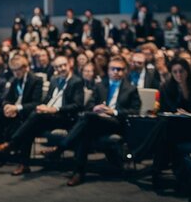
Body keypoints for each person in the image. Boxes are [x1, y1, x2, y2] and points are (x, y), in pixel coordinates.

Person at [50, 56, 141, 187]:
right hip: (97, 121)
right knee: (86, 130)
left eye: (119, 69)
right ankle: (78, 173)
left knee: (87, 119)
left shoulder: (131, 89)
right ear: (108, 70)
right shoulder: (100, 86)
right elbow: (89, 106)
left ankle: (61, 148)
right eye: (113, 69)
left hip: (116, 123)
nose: (116, 72)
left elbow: (135, 111)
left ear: (125, 71)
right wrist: (95, 107)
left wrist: (113, 112)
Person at [0, 56, 84, 175]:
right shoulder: (54, 79)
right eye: (58, 66)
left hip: (64, 117)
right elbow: (48, 99)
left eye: (64, 65)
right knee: (29, 126)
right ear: (55, 68)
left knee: (34, 116)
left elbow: (77, 106)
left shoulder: (76, 81)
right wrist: (42, 107)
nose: (62, 68)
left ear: (69, 64)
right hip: (48, 115)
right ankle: (24, 165)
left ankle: (12, 144)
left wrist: (54, 109)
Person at [133, 59, 191, 190]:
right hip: (172, 127)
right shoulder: (166, 88)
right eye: (175, 72)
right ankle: (159, 169)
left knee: (165, 128)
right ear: (171, 73)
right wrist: (176, 114)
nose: (178, 74)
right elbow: (163, 111)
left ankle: (143, 156)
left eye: (181, 71)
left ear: (187, 72)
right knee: (166, 126)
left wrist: (187, 113)